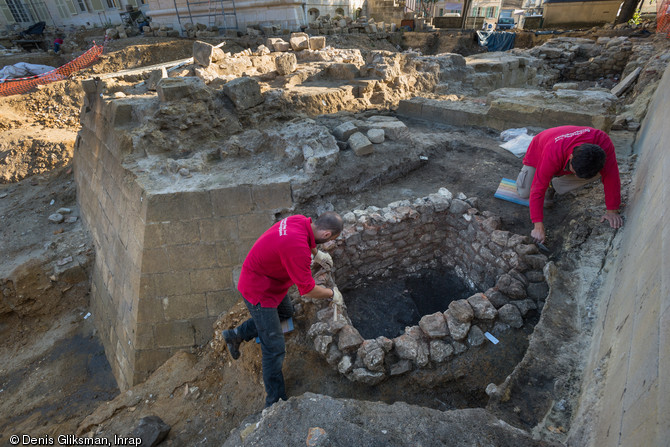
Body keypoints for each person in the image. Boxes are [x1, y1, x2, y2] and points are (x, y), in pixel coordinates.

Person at [223, 212, 344, 408]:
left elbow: (309, 239)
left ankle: (235, 335)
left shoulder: (299, 220)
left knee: (286, 312)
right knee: (274, 348)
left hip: (270, 281)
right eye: (328, 241)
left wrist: (317, 254)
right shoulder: (298, 249)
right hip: (259, 291)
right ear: (327, 234)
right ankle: (275, 401)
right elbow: (308, 290)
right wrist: (332, 294)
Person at [515, 126, 623, 243]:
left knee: (603, 171)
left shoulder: (603, 142)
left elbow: (612, 176)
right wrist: (538, 226)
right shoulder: (553, 152)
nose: (575, 178)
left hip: (564, 157)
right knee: (524, 192)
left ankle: (553, 185)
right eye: (575, 172)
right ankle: (544, 178)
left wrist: (612, 211)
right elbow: (537, 188)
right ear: (571, 157)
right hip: (540, 151)